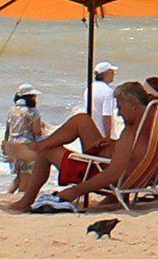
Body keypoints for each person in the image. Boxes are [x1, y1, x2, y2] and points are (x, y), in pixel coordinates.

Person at [9, 81, 149, 212]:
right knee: (82, 120)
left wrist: (74, 192)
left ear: (132, 104)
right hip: (109, 161)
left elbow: (113, 174)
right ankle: (39, 145)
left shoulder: (131, 132)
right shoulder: (147, 123)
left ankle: (27, 200)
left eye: (120, 107)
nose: (118, 113)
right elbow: (131, 157)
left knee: (47, 151)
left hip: (98, 170)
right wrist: (115, 143)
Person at [1, 84, 47, 188]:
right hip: (25, 146)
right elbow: (37, 131)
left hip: (11, 145)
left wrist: (4, 147)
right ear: (30, 97)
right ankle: (21, 197)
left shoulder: (12, 110)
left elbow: (7, 131)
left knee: (18, 177)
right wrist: (43, 129)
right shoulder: (33, 111)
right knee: (27, 177)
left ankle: (9, 194)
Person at [87, 61, 120, 142]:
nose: (114, 74)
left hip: (90, 131)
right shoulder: (108, 91)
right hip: (102, 134)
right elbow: (106, 116)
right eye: (112, 72)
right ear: (106, 74)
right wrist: (108, 137)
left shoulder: (89, 89)